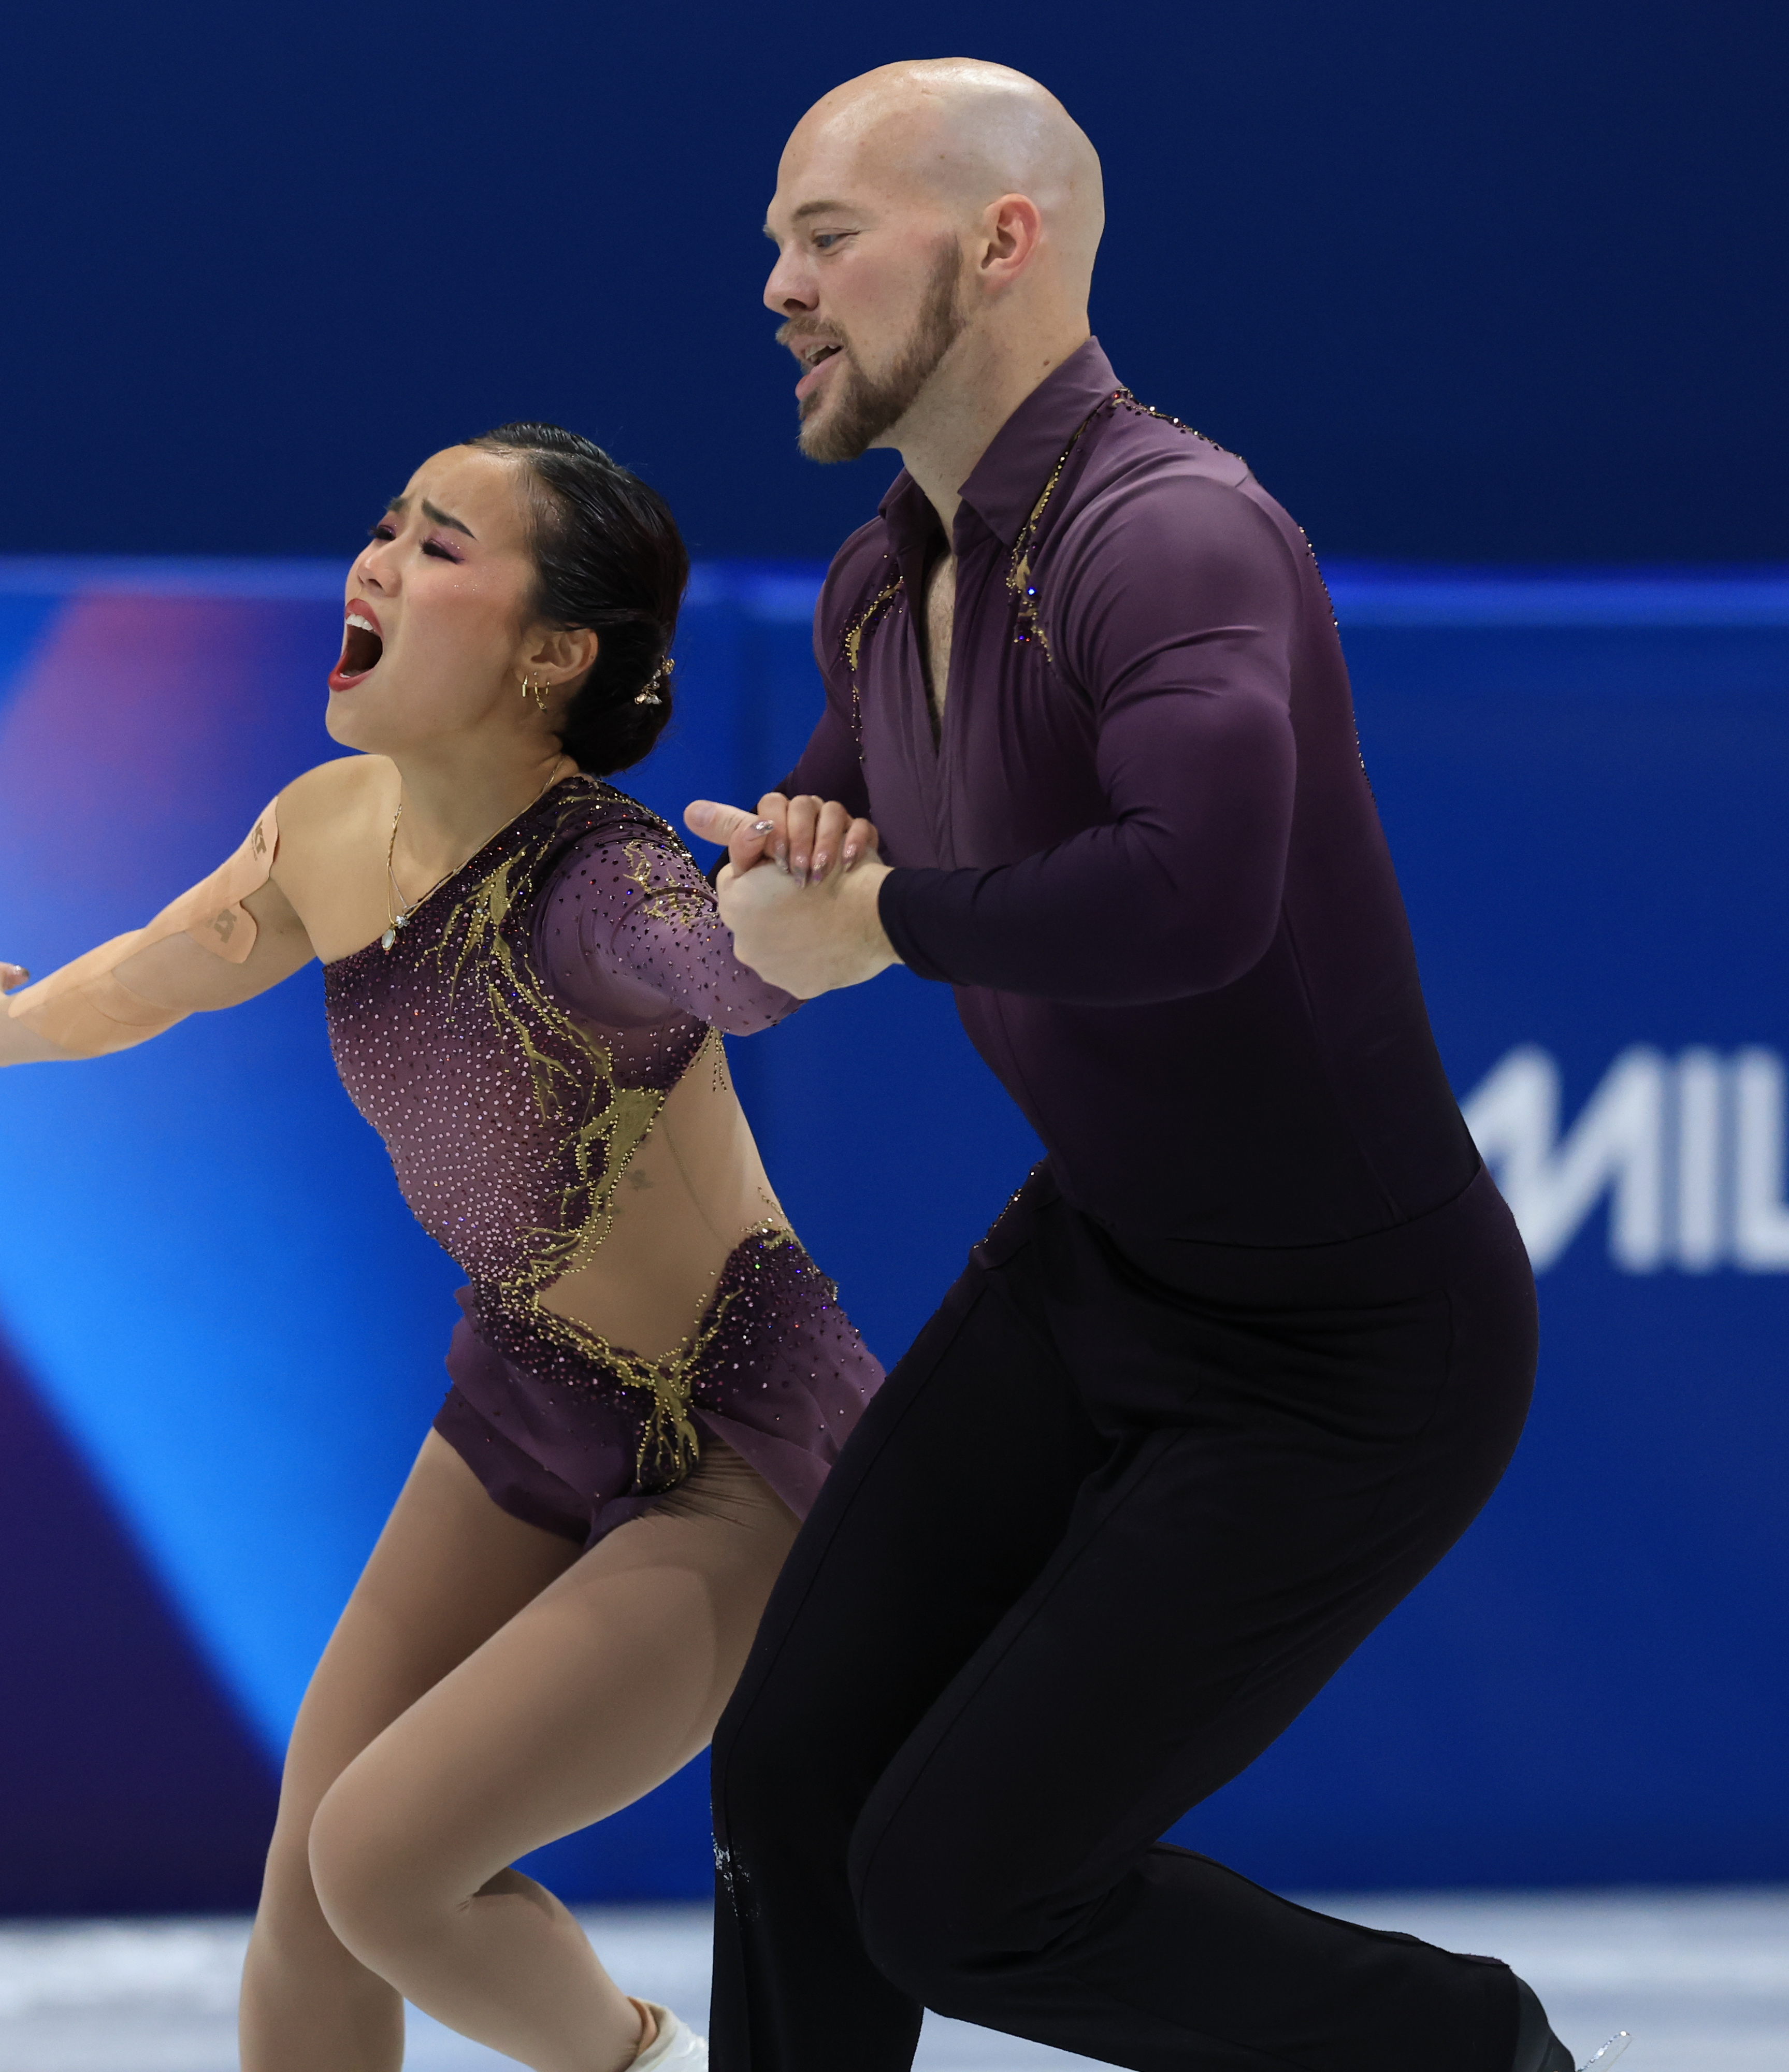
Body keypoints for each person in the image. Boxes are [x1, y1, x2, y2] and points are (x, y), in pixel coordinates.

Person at [671, 60, 1626, 2072]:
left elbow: (1196, 895)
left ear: (1002, 242)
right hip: (1100, 1266)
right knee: (790, 1782)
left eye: (827, 237)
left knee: (963, 1888)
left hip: (1351, 1354)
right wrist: (783, 885)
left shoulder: (1174, 533)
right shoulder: (877, 586)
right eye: (777, 240)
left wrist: (874, 928)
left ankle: (1470, 2058)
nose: (776, 283)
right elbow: (822, 874)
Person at [0, 424, 882, 2072]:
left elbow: (732, 972)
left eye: (442, 544)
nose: (376, 560)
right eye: (385, 525)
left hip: (734, 1445)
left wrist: (824, 910)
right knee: (307, 1911)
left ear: (554, 653)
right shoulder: (327, 828)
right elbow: (156, 972)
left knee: (384, 1864)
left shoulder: (605, 879)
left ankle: (650, 2067)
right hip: (530, 1401)